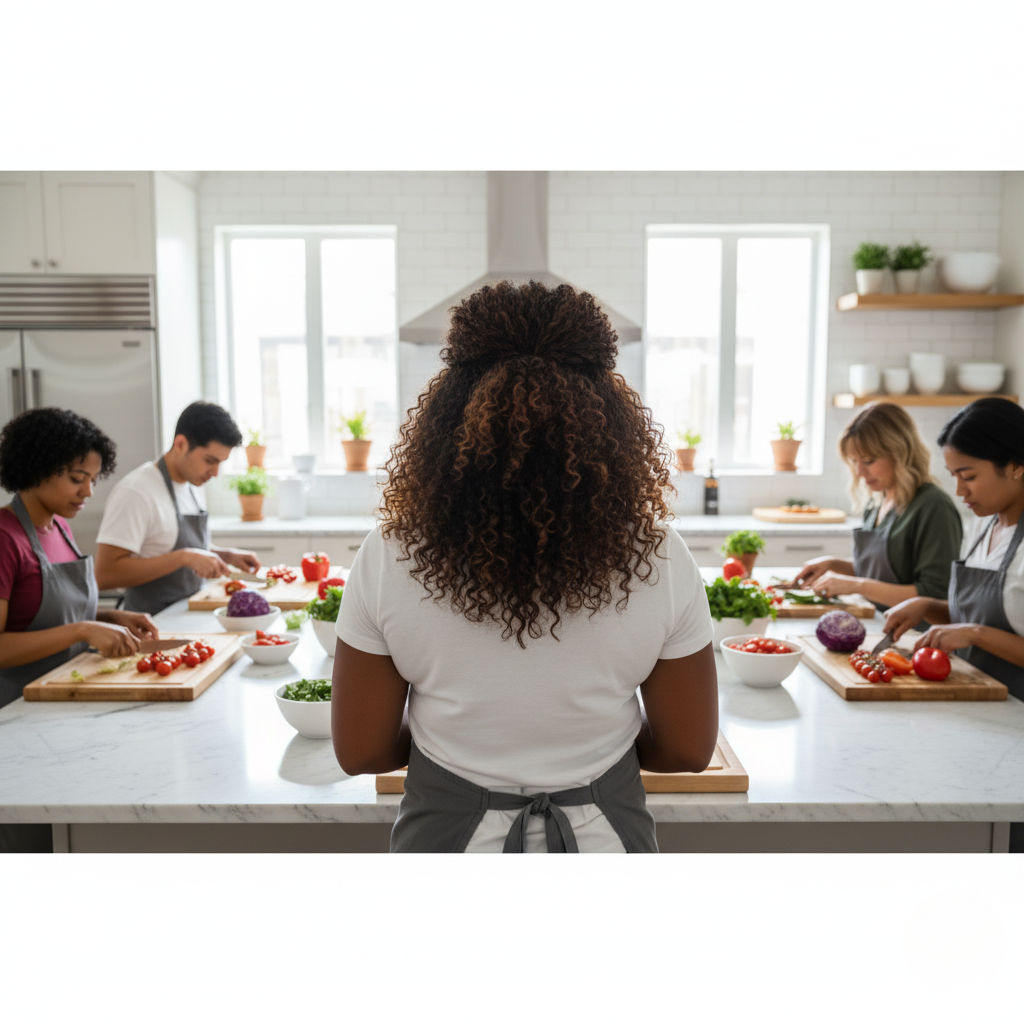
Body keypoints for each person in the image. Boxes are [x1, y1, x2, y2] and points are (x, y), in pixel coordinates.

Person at [331, 280, 719, 853]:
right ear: (608, 415)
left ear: (450, 409)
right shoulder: (659, 556)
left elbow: (361, 750)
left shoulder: (391, 553)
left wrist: (462, 744)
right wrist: (584, 743)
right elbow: (688, 751)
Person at [883, 397, 1024, 854]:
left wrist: (976, 635)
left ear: (1017, 466)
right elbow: (977, 614)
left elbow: (981, 628)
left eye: (969, 476)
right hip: (978, 713)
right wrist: (930, 605)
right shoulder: (992, 525)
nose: (961, 492)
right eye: (955, 477)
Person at [0, 408, 158, 709]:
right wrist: (83, 629)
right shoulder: (5, 537)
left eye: (93, 480)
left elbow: (39, 613)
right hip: (16, 709)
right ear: (37, 469)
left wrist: (106, 618)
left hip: (66, 693)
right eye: (77, 478)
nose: (88, 491)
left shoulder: (59, 527)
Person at [794, 401, 962, 613]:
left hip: (916, 635)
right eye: (854, 461)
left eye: (869, 461)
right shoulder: (878, 501)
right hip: (879, 623)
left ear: (900, 453)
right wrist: (833, 564)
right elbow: (883, 573)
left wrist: (854, 585)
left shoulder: (934, 507)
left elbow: (933, 594)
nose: (859, 472)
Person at [94, 401, 261, 615]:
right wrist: (183, 557)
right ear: (180, 444)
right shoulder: (136, 491)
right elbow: (105, 575)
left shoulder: (192, 484)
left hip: (187, 613)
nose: (215, 472)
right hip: (152, 623)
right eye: (210, 460)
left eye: (221, 463)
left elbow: (163, 542)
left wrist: (225, 555)